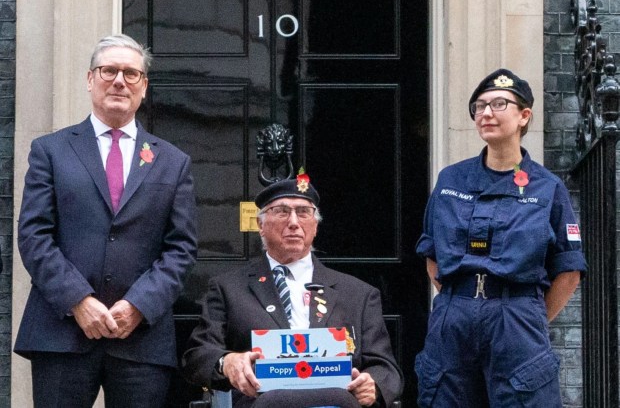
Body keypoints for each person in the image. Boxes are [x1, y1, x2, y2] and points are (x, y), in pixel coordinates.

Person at [15, 34, 197, 408]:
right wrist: (77, 300)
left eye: (131, 74)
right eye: (109, 70)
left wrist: (139, 305)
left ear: (143, 87)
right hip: (62, 334)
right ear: (89, 79)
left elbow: (181, 248)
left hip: (141, 341)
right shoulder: (51, 151)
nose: (119, 81)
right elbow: (34, 235)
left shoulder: (172, 161)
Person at [414, 69, 587, 407]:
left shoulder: (547, 187)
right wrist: (462, 298)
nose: (486, 113)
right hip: (454, 316)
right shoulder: (451, 180)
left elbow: (568, 270)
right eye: (479, 106)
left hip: (517, 318)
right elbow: (431, 251)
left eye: (498, 104)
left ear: (524, 116)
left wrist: (527, 313)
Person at [182, 173, 403, 407]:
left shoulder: (358, 294)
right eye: (282, 211)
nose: (294, 222)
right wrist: (226, 362)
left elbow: (386, 368)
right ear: (261, 225)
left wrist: (374, 385)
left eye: (304, 212)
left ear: (315, 226)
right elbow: (197, 357)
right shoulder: (228, 289)